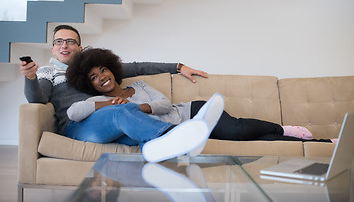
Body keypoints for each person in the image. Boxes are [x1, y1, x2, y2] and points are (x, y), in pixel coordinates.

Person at [66, 48, 336, 145]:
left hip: (190, 112)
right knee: (255, 141)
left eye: (103, 70)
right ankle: (323, 142)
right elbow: (73, 114)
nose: (102, 77)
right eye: (93, 77)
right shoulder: (94, 104)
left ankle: (284, 128)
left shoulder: (138, 85)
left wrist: (140, 106)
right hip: (186, 131)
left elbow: (163, 105)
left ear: (111, 69)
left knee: (239, 131)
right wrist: (109, 103)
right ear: (89, 85)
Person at [19, 24, 208, 138]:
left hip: (109, 120)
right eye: (59, 42)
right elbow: (38, 99)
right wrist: (30, 77)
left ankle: (178, 137)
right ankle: (180, 134)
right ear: (53, 49)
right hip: (77, 124)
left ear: (80, 47)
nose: (65, 45)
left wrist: (178, 67)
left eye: (70, 41)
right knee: (122, 111)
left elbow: (138, 67)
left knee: (131, 126)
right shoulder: (47, 72)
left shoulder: (94, 69)